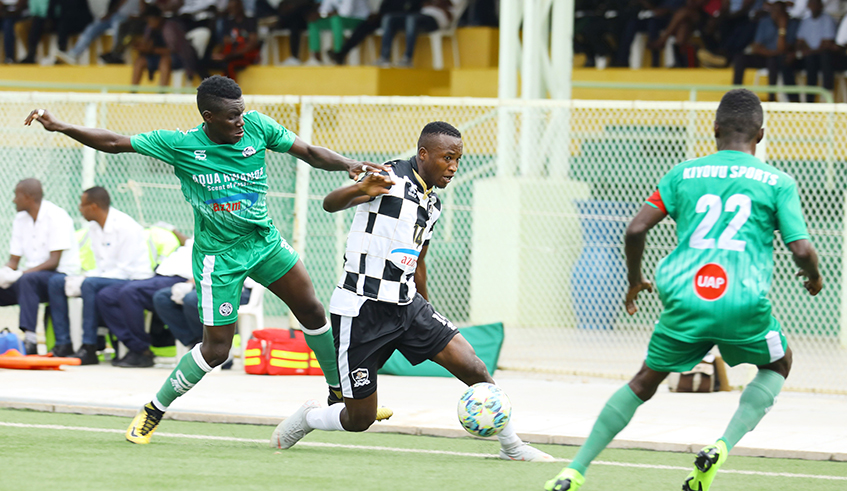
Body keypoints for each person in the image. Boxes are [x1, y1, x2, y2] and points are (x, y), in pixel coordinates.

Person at [25, 74, 389, 444]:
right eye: (232, 116)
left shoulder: (258, 126)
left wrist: (349, 164)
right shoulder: (181, 145)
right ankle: (153, 409)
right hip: (219, 257)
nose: (240, 122)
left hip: (263, 242)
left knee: (312, 309)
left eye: (242, 113)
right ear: (208, 116)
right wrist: (60, 126)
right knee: (216, 350)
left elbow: (309, 152)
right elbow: (116, 142)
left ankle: (339, 393)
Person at [544, 89, 822, 491]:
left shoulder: (682, 174)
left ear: (714, 130)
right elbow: (801, 248)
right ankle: (722, 447)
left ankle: (575, 470)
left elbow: (636, 228)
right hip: (743, 301)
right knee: (779, 363)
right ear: (760, 136)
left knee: (644, 381)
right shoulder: (778, 182)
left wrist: (634, 279)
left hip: (685, 297)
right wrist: (812, 275)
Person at [271, 122, 553, 463]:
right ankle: (311, 416)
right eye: (447, 158)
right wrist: (362, 188)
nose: (453, 166)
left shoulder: (432, 203)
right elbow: (331, 204)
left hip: (408, 308)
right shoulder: (388, 177)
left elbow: (419, 262)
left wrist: (428, 313)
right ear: (423, 154)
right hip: (361, 311)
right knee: (359, 419)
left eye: (458, 159)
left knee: (475, 369)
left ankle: (512, 446)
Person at [47, 186, 153, 363]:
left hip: (132, 278)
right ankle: (63, 344)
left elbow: (125, 270)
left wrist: (89, 279)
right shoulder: (94, 228)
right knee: (57, 282)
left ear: (94, 206)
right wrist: (84, 277)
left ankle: (89, 346)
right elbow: (101, 266)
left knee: (90, 285)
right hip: (108, 277)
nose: (80, 209)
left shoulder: (125, 226)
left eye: (82, 205)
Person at [0, 179, 80, 355]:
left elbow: (54, 261)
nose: (14, 200)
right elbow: (13, 260)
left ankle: (31, 341)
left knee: (28, 280)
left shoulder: (57, 216)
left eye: (17, 195)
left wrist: (19, 274)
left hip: (59, 275)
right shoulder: (20, 219)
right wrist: (5, 273)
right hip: (30, 280)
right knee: (22, 281)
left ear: (28, 197)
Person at [97, 238, 194, 368]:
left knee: (131, 292)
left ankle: (140, 350)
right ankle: (134, 345)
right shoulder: (198, 232)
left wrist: (191, 283)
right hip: (159, 275)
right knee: (106, 295)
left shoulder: (219, 232)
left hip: (181, 277)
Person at [731, 1, 798, 102]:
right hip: (767, 55)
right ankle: (735, 97)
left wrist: (782, 28)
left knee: (773, 61)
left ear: (785, 12)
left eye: (779, 11)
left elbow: (783, 48)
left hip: (780, 60)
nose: (776, 13)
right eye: (774, 11)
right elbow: (757, 47)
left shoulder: (791, 24)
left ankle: (771, 98)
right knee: (740, 58)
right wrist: (774, 53)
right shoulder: (765, 22)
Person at [327, 0, 421, 66]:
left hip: (402, 19)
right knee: (365, 25)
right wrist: (378, 14)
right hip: (385, 17)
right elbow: (384, 7)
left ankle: (385, 57)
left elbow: (412, 9)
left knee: (388, 20)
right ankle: (342, 53)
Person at [375, 0, 465, 68]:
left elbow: (451, 5)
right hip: (420, 15)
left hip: (437, 19)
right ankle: (384, 57)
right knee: (389, 18)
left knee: (411, 19)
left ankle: (407, 58)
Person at [794, 0, 839, 102]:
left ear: (821, 6)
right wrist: (807, 50)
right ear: (808, 6)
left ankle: (828, 94)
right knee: (810, 60)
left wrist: (808, 51)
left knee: (825, 56)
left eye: (816, 4)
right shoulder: (805, 21)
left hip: (825, 56)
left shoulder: (827, 19)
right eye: (812, 4)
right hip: (810, 56)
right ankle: (810, 99)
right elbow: (800, 41)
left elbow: (827, 44)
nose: (814, 6)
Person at [303, 0, 369, 66]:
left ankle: (338, 53)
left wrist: (326, 14)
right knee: (313, 22)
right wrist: (320, 15)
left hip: (360, 19)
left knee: (336, 20)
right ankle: (315, 57)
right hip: (341, 20)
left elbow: (345, 13)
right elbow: (324, 10)